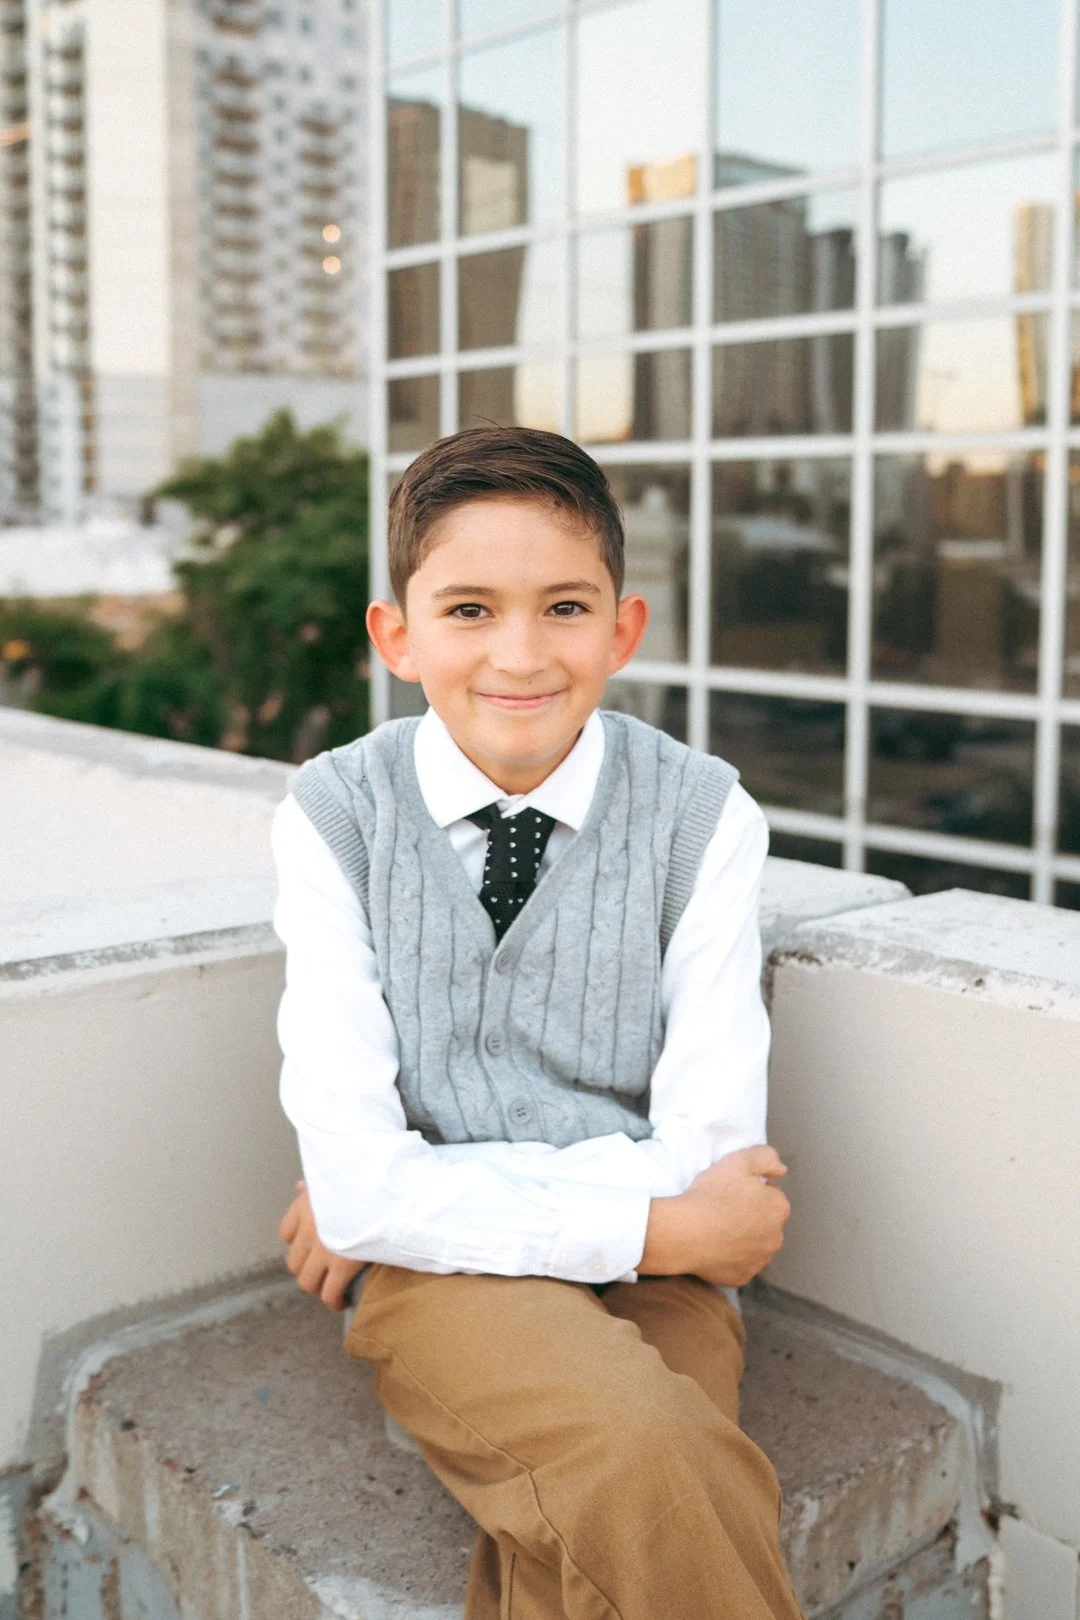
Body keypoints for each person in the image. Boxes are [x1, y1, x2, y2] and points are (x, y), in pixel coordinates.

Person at [272, 426, 803, 1620]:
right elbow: (363, 1194)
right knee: (646, 1456)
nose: (519, 653)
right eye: (468, 609)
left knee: (605, 1516)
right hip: (455, 1276)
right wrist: (654, 1216)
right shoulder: (332, 817)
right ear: (396, 635)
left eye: (564, 607)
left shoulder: (704, 817)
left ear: (623, 628)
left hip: (639, 1269)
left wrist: (406, 1186)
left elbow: (713, 1153)